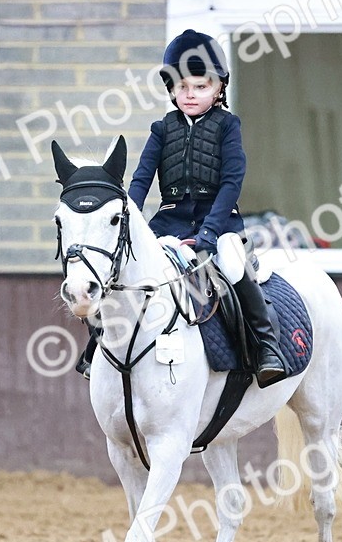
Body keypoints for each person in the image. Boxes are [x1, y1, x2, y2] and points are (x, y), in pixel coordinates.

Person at [75, 29, 287, 387]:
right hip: (169, 221)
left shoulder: (228, 127)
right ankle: (98, 343)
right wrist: (133, 221)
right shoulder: (162, 129)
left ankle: (265, 345)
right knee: (122, 265)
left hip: (218, 220)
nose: (190, 94)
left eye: (201, 87)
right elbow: (141, 180)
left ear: (219, 88)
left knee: (234, 266)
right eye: (182, 87)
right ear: (171, 89)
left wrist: (209, 232)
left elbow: (232, 182)